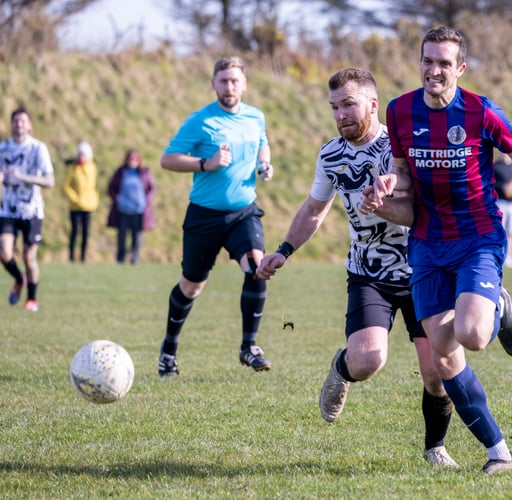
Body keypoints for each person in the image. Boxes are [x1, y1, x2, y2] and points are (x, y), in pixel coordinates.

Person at [361, 26, 512, 475]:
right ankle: (498, 451)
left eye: (444, 63)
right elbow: (405, 173)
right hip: (427, 244)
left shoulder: (481, 112)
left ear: (460, 68)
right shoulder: (399, 111)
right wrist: (389, 184)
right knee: (443, 355)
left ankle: (497, 304)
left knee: (473, 335)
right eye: (427, 61)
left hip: (478, 238)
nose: (434, 70)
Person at [256, 67, 459, 467]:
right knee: (367, 362)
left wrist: (388, 193)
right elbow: (315, 209)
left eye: (348, 104)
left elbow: (426, 203)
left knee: (436, 370)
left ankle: (435, 447)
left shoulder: (402, 147)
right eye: (334, 107)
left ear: (372, 104)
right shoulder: (331, 154)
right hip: (369, 273)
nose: (340, 114)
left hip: (423, 269)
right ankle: (341, 366)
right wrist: (283, 249)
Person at [157, 56, 275, 376]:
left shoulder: (255, 117)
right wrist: (203, 164)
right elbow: (167, 160)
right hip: (205, 216)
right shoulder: (200, 121)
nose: (229, 86)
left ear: (244, 83)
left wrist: (265, 163)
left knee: (256, 267)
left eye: (235, 80)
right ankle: (169, 351)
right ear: (213, 84)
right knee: (192, 285)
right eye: (223, 80)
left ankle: (249, 347)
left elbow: (262, 145)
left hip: (243, 212)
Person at [0, 107, 55, 312]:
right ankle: (18, 278)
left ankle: (32, 298)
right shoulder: (3, 148)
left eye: (23, 121)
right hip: (8, 210)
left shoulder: (38, 149)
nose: (19, 124)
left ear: (30, 125)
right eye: (16, 120)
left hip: (32, 210)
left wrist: (22, 176)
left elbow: (50, 181)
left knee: (28, 257)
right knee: (4, 252)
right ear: (11, 124)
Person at [106, 149, 156, 264]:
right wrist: (118, 199)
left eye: (134, 159)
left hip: (139, 210)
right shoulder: (120, 172)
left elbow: (152, 189)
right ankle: (120, 258)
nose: (132, 161)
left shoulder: (144, 172)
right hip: (123, 209)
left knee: (136, 236)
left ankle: (135, 257)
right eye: (130, 158)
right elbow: (111, 188)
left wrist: (146, 201)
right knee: (122, 235)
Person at [62, 141, 99, 263]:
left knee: (85, 232)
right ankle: (71, 257)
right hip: (75, 206)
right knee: (75, 231)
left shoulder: (91, 167)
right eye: (80, 154)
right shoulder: (72, 168)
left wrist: (94, 199)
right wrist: (75, 199)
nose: (81, 157)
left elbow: (92, 186)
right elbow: (66, 186)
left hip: (88, 206)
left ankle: (83, 257)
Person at [492, 153, 512, 268]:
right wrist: (502, 187)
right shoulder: (495, 166)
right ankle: (499, 257)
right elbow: (492, 184)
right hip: (501, 202)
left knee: (511, 233)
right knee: (501, 232)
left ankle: (509, 258)